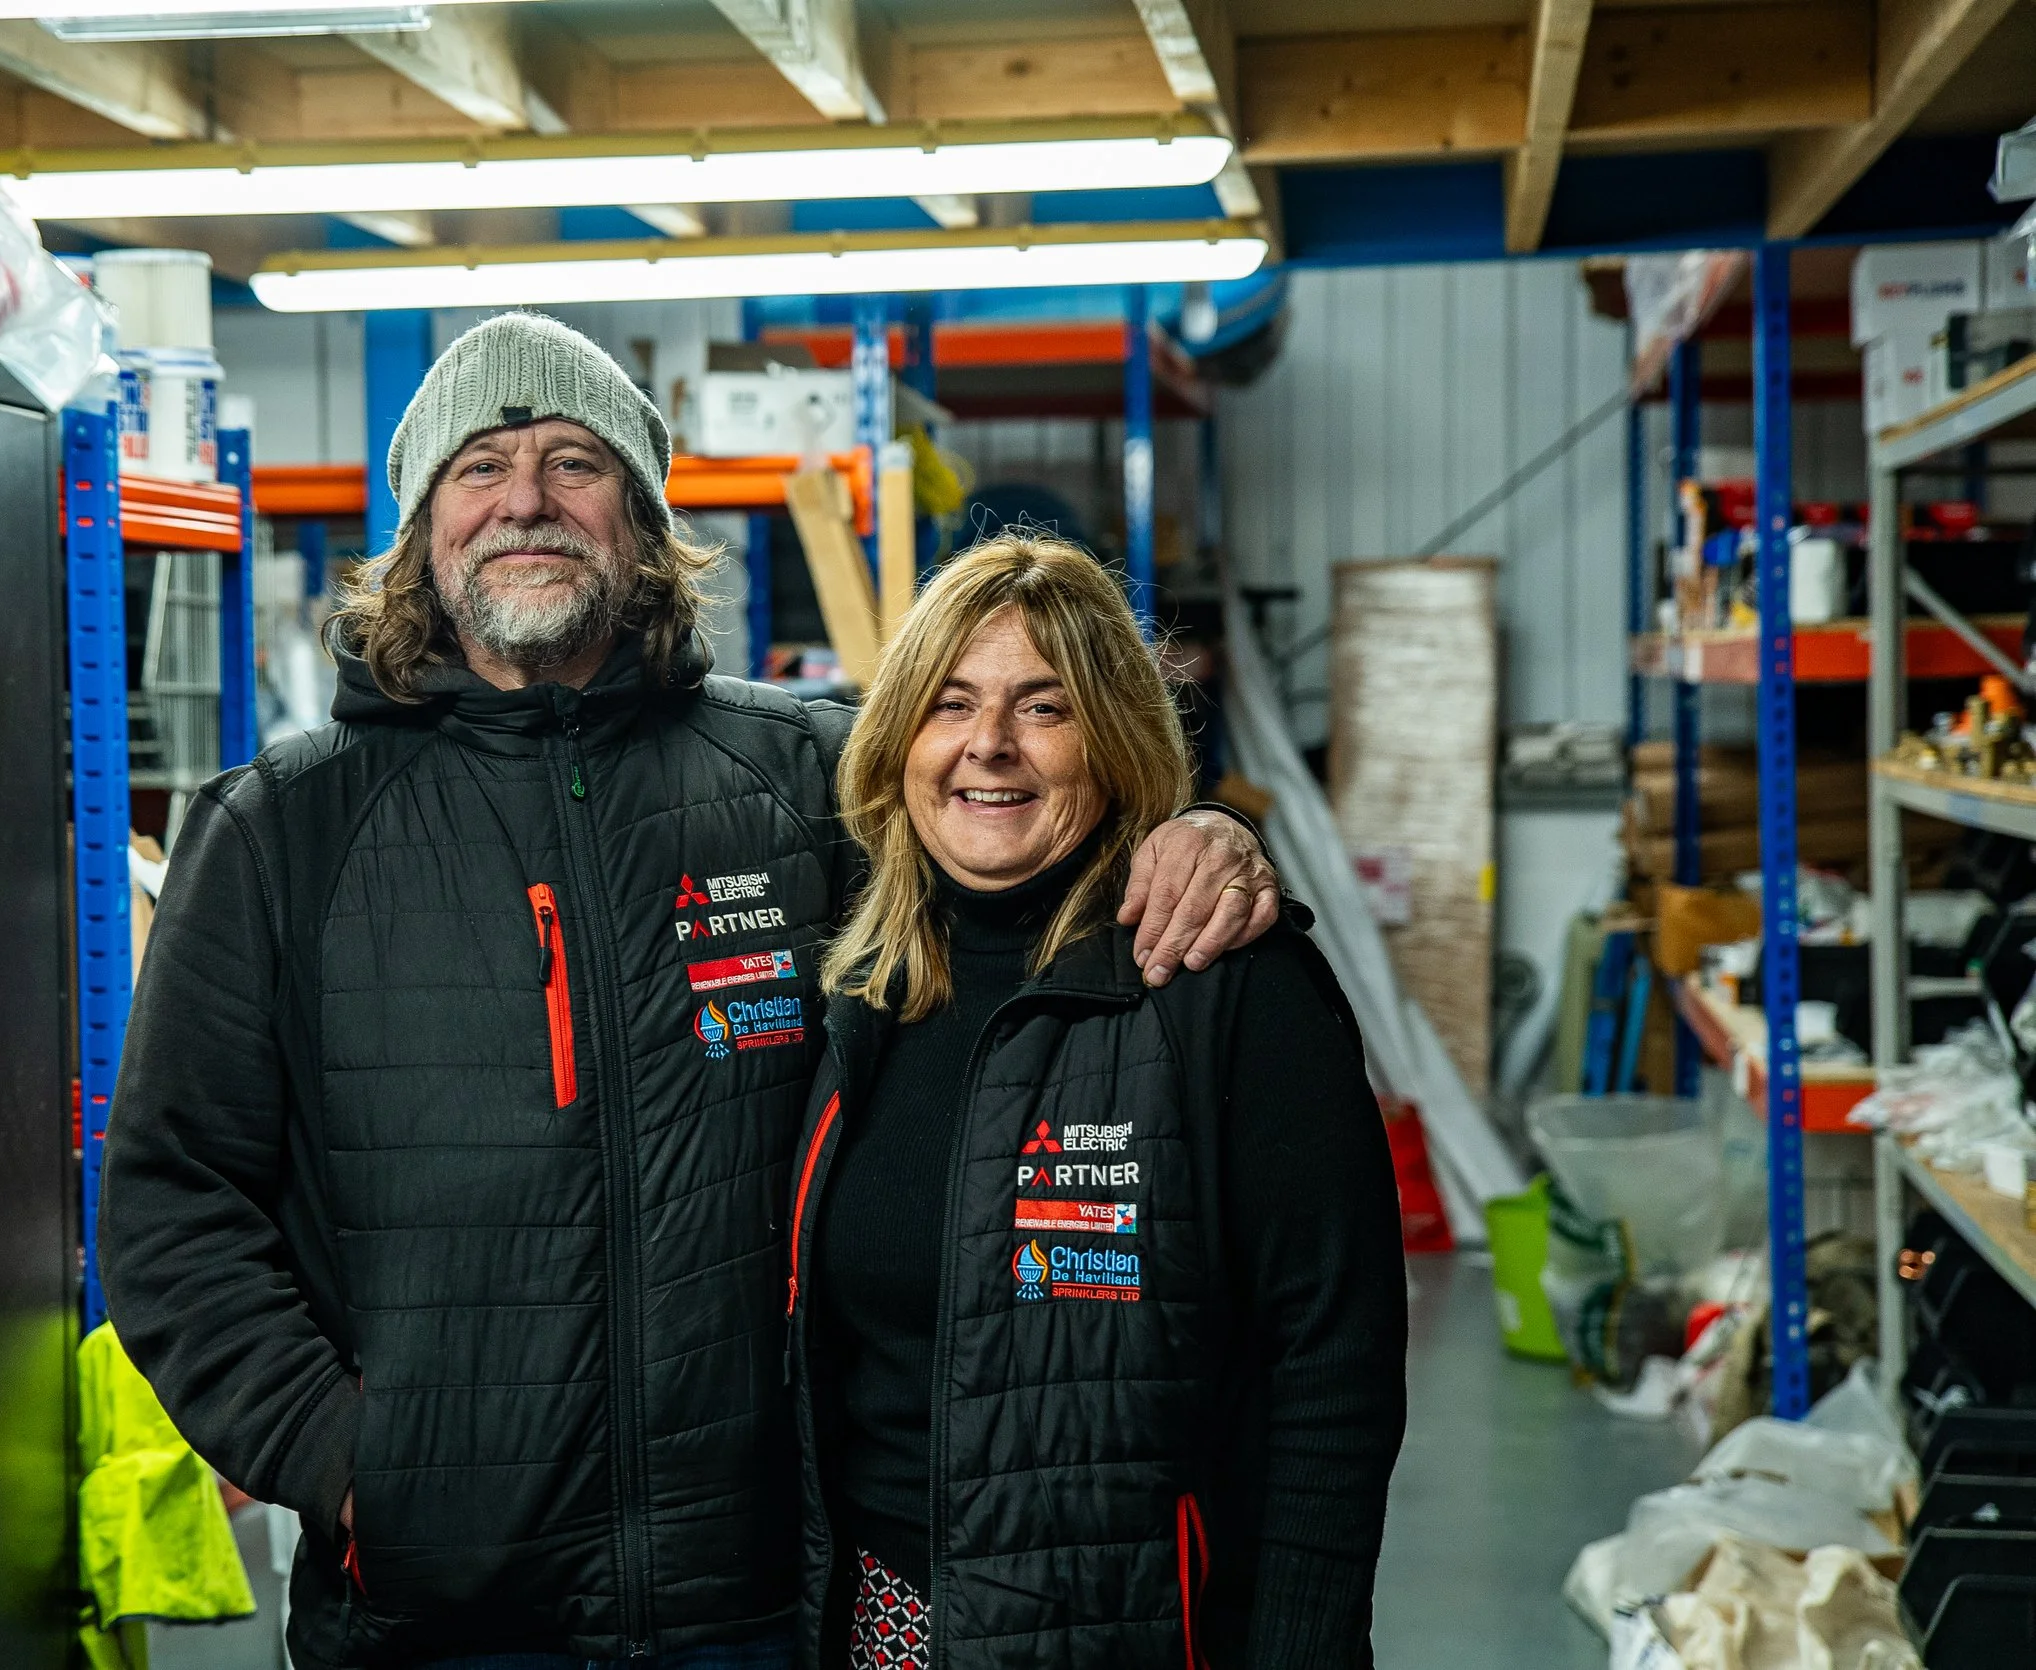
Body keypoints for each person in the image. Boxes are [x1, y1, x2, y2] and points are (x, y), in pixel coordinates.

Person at [99, 312, 1281, 1669]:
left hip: (760, 1593)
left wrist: (1192, 837)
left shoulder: (809, 782)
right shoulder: (280, 831)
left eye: (573, 461)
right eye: (479, 466)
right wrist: (351, 1459)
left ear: (647, 523)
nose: (527, 498)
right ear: (425, 526)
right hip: (437, 1608)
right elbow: (175, 1200)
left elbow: (1028, 844)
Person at [790, 535, 1408, 1670]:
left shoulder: (1222, 984)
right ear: (900, 742)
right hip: (873, 1625)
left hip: (1128, 1628)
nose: (988, 744)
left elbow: (1332, 1373)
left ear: (1114, 739)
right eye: (950, 703)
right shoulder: (851, 991)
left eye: (1044, 707)